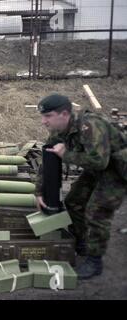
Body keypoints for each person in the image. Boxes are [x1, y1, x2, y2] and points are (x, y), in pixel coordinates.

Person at [35, 93, 127, 280]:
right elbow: (47, 159)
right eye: (43, 117)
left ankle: (95, 261)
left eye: (48, 116)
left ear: (64, 114)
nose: (44, 121)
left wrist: (66, 155)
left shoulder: (91, 126)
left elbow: (99, 162)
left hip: (116, 170)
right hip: (96, 169)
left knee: (97, 211)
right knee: (74, 202)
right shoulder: (58, 132)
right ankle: (82, 243)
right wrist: (39, 192)